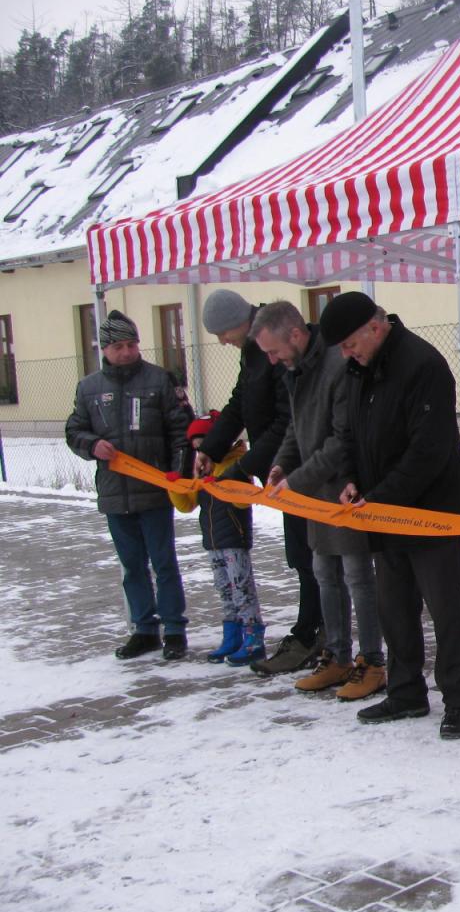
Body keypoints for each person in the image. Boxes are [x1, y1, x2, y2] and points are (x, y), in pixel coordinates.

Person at [320, 292, 460, 739]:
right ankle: (406, 690)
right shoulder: (359, 369)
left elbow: (429, 450)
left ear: (375, 328)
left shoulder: (423, 365)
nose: (347, 354)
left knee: (444, 609)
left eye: (350, 344)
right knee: (394, 607)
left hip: (431, 512)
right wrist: (351, 480)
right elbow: (349, 435)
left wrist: (380, 498)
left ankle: (459, 700)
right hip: (382, 512)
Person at [251, 301, 387, 702]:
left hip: (344, 489)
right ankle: (337, 656)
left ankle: (372, 661)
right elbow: (296, 427)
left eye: (274, 350)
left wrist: (296, 481)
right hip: (314, 493)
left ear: (295, 334)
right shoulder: (297, 370)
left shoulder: (337, 364)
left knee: (358, 577)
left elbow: (342, 440)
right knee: (324, 573)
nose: (272, 360)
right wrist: (281, 465)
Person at [196, 289, 323, 676]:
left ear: (240, 321)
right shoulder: (254, 352)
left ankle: (315, 634)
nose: (222, 341)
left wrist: (243, 467)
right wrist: (212, 448)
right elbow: (241, 402)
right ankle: (312, 631)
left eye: (223, 332)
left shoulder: (271, 347)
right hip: (278, 471)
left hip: (300, 470)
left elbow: (287, 420)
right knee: (300, 556)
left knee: (310, 556)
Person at [65, 310, 190, 660]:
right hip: (115, 492)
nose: (126, 352)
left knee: (164, 562)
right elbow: (74, 430)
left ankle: (174, 629)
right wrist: (92, 445)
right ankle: (144, 629)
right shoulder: (89, 388)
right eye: (119, 346)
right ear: (104, 349)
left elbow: (181, 430)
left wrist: (178, 475)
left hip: (155, 491)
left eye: (132, 344)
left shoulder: (159, 380)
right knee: (132, 566)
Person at [169, 412, 267, 666]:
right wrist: (175, 486)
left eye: (203, 446)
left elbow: (243, 502)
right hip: (212, 541)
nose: (200, 453)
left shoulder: (237, 465)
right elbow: (187, 504)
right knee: (224, 590)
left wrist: (227, 482)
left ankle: (253, 638)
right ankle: (232, 636)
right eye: (196, 449)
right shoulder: (202, 469)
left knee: (241, 589)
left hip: (234, 539)